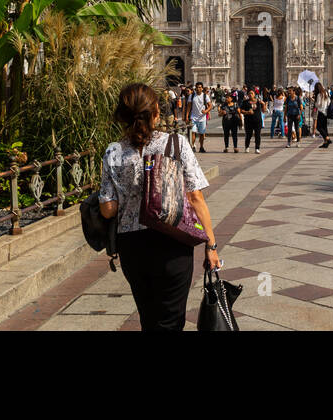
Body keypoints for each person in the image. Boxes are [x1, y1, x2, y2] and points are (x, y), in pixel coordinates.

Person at [98, 83, 219, 329]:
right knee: (171, 321)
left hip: (132, 245)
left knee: (148, 319)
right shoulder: (176, 143)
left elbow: (108, 210)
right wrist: (211, 245)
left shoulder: (113, 152)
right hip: (172, 239)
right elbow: (195, 198)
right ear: (156, 113)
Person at [188, 83, 210, 154]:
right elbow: (189, 107)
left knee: (201, 134)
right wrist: (186, 116)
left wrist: (206, 111)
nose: (198, 89)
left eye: (200, 87)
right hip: (193, 117)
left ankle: (201, 147)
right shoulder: (191, 96)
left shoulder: (205, 96)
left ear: (202, 88)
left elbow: (210, 106)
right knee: (193, 132)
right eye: (197, 87)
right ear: (195, 88)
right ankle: (193, 146)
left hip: (202, 118)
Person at [241, 88, 263, 152]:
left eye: (252, 93)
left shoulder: (258, 101)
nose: (250, 94)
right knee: (248, 135)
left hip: (257, 121)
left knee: (258, 135)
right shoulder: (245, 102)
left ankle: (257, 148)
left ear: (254, 94)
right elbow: (241, 110)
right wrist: (247, 112)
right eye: (249, 93)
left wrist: (264, 104)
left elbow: (264, 110)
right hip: (248, 121)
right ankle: (247, 147)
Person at [219, 87, 240, 153]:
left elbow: (239, 113)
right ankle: (226, 147)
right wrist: (222, 113)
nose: (226, 99)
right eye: (226, 97)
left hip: (234, 122)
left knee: (234, 135)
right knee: (226, 135)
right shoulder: (223, 105)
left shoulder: (236, 105)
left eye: (228, 97)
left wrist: (240, 121)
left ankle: (235, 147)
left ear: (231, 98)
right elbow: (219, 114)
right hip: (226, 122)